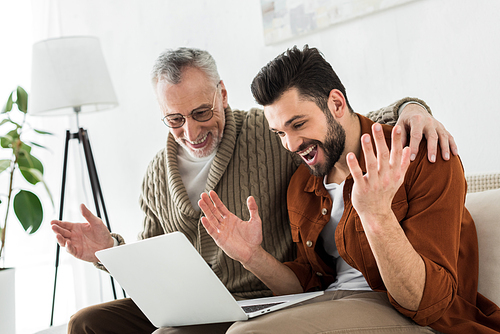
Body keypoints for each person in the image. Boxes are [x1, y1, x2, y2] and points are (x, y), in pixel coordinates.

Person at [51, 47, 456, 334]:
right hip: (212, 302)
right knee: (86, 323)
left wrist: (413, 108)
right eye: (174, 120)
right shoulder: (161, 173)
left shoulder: (271, 135)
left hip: (263, 301)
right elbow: (154, 257)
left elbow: (353, 121)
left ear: (222, 96)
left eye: (201, 113)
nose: (190, 133)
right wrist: (110, 251)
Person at [197, 45, 500, 334]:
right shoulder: (303, 184)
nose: (290, 144)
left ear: (337, 104)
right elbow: (310, 284)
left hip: (412, 315)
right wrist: (251, 256)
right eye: (280, 133)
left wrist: (377, 215)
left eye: (299, 124)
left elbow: (427, 304)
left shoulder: (421, 155)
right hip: (331, 304)